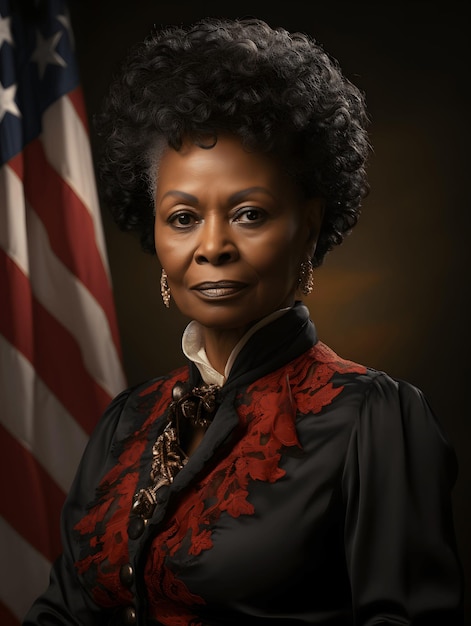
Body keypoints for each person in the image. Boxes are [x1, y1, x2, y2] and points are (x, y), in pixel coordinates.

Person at [23, 16, 464, 626]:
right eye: (182, 217)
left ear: (308, 227)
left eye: (249, 213)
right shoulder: (125, 423)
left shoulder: (376, 419)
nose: (212, 246)